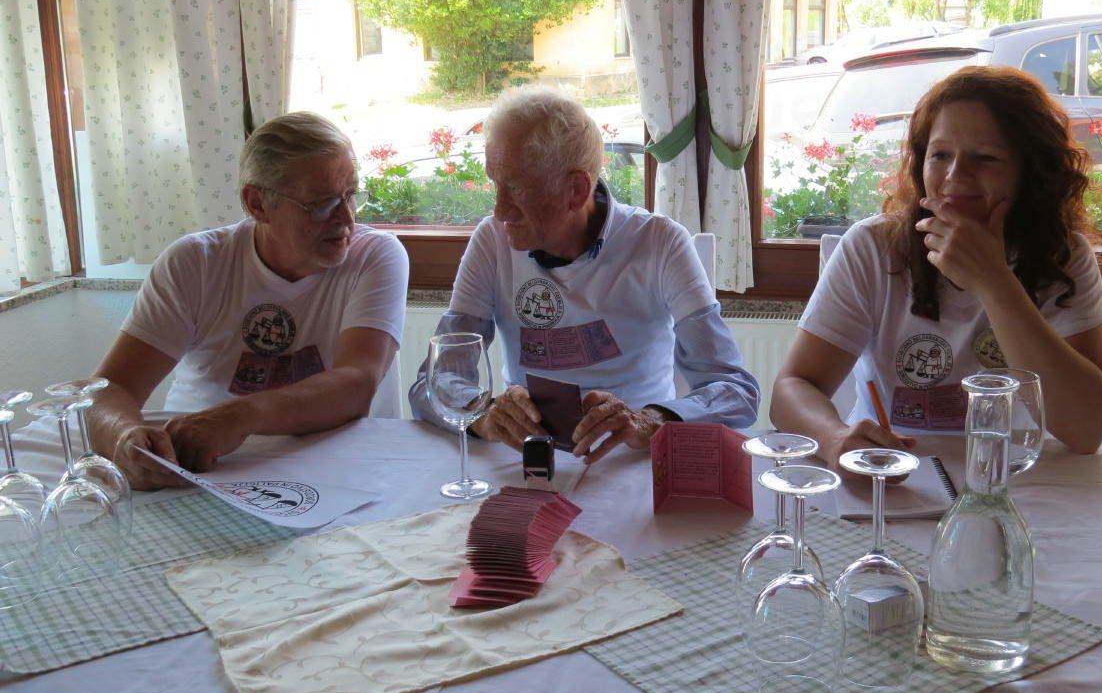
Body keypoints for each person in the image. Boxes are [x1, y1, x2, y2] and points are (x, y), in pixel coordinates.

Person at [771, 65, 1102, 470]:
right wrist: (835, 439)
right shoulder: (874, 247)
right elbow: (790, 389)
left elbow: (1086, 430)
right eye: (940, 155)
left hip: (1014, 474)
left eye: (985, 158)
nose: (955, 175)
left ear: (1030, 171)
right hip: (895, 470)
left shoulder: (1064, 255)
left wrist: (994, 282)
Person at [409, 87, 759, 462]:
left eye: (514, 188)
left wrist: (649, 420)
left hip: (632, 460)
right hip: (528, 457)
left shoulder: (660, 243)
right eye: (495, 183)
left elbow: (735, 390)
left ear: (575, 190)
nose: (499, 210)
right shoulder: (492, 241)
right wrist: (484, 414)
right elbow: (432, 382)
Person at [88, 112, 409, 489]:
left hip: (342, 468)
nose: (346, 218)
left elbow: (356, 383)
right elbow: (107, 391)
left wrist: (239, 417)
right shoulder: (196, 262)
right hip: (204, 470)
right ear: (257, 204)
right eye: (322, 203)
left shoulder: (375, 255)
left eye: (351, 195)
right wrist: (125, 439)